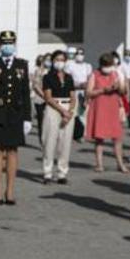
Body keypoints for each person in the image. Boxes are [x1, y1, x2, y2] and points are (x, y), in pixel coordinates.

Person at [0, 31, 30, 205]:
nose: (7, 46)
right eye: (5, 43)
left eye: (10, 43)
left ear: (15, 44)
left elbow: (25, 93)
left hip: (15, 115)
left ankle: (10, 191)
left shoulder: (21, 65)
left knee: (12, 151)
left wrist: (27, 118)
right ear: (0, 45)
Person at [85, 53, 129, 173]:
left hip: (113, 107)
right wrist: (103, 90)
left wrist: (118, 87)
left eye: (110, 65)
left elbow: (124, 91)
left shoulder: (116, 74)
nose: (108, 68)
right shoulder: (95, 74)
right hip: (99, 107)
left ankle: (120, 164)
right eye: (106, 65)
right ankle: (99, 164)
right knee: (99, 138)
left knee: (117, 137)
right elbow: (88, 92)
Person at [41, 50, 76, 184]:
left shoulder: (68, 77)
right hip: (53, 108)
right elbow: (48, 97)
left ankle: (62, 172)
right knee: (49, 141)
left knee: (65, 142)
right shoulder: (48, 77)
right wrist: (62, 111)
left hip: (68, 108)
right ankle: (47, 172)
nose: (59, 62)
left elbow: (73, 96)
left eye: (62, 59)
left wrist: (70, 111)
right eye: (57, 60)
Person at [66, 47, 92, 141]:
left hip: (84, 92)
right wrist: (79, 85)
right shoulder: (70, 65)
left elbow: (89, 79)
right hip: (73, 92)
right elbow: (68, 80)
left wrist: (87, 90)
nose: (79, 55)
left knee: (83, 113)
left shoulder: (87, 66)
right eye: (78, 53)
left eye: (81, 53)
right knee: (73, 113)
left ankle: (82, 134)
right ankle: (72, 133)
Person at [31, 54, 48, 142]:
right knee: (41, 120)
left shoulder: (50, 71)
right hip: (40, 99)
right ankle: (42, 140)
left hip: (50, 99)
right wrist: (44, 96)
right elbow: (35, 85)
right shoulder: (37, 71)